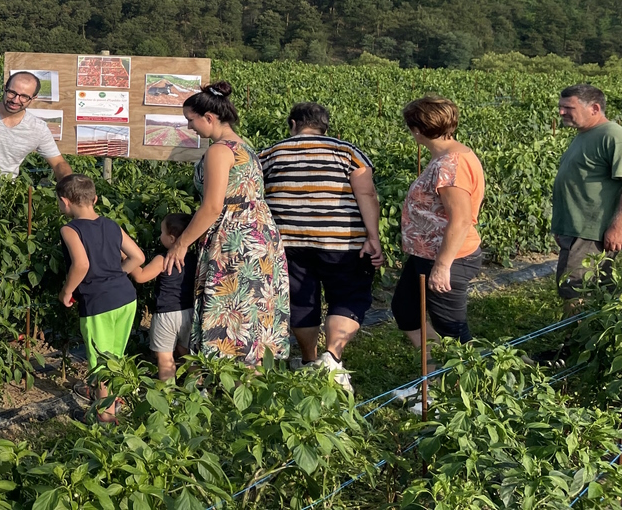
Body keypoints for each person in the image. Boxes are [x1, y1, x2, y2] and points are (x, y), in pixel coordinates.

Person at [164, 82, 290, 366]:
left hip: (235, 238)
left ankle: (227, 379)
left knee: (231, 306)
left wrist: (181, 244)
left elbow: (212, 206)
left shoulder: (219, 151)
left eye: (191, 120)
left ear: (208, 117)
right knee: (253, 309)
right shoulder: (244, 145)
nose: (190, 127)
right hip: (259, 233)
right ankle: (254, 377)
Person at [258, 102, 382, 390]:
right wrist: (372, 236)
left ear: (293, 124)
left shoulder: (271, 153)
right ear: (326, 126)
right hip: (341, 241)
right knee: (348, 295)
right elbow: (366, 192)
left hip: (289, 240)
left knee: (302, 300)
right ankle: (333, 357)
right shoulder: (347, 152)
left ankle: (309, 360)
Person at [390, 97, 485, 355]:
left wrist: (443, 266)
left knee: (452, 330)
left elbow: (462, 219)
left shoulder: (450, 166)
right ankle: (434, 373)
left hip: (448, 257)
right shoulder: (447, 156)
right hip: (426, 253)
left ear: (417, 131)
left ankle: (469, 385)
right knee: (406, 311)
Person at [57, 173, 146, 419]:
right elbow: (138, 257)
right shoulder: (111, 224)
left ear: (65, 202)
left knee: (99, 361)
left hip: (98, 303)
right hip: (126, 298)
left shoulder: (70, 229)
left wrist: (67, 291)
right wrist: (116, 275)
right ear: (95, 199)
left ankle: (105, 418)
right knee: (115, 356)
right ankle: (114, 403)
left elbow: (81, 265)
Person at [551, 83, 622, 306]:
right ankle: (584, 338)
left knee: (576, 291)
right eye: (561, 107)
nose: (561, 112)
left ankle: (576, 340)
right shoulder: (585, 134)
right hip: (575, 228)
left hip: (592, 231)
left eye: (568, 107)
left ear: (594, 108)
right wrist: (561, 227)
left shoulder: (612, 135)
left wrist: (617, 226)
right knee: (579, 289)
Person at [132, 212, 198, 380]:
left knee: (165, 359)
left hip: (166, 315)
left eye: (162, 232)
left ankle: (168, 397)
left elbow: (140, 276)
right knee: (186, 354)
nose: (160, 235)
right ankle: (196, 389)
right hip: (189, 312)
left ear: (171, 238)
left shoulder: (163, 259)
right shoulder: (196, 258)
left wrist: (128, 257)